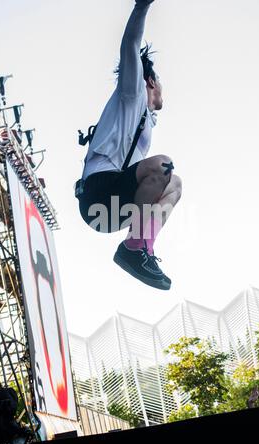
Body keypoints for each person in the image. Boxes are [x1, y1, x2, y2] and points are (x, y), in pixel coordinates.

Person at [75, 0, 182, 290]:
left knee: (174, 184)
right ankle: (134, 249)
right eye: (159, 82)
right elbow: (131, 44)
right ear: (150, 81)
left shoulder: (146, 118)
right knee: (163, 165)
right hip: (98, 195)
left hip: (110, 212)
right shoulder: (132, 93)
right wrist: (142, 7)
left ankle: (139, 246)